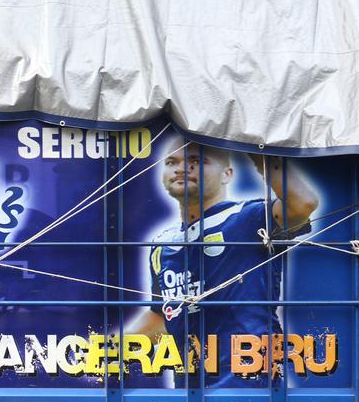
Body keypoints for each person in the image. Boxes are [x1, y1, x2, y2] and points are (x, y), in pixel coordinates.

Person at [128, 141, 319, 381]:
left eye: (197, 161)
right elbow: (163, 315)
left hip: (249, 383)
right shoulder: (162, 244)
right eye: (171, 162)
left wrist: (255, 146)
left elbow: (303, 203)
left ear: (227, 174)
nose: (181, 168)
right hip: (190, 390)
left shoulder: (250, 217)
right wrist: (110, 347)